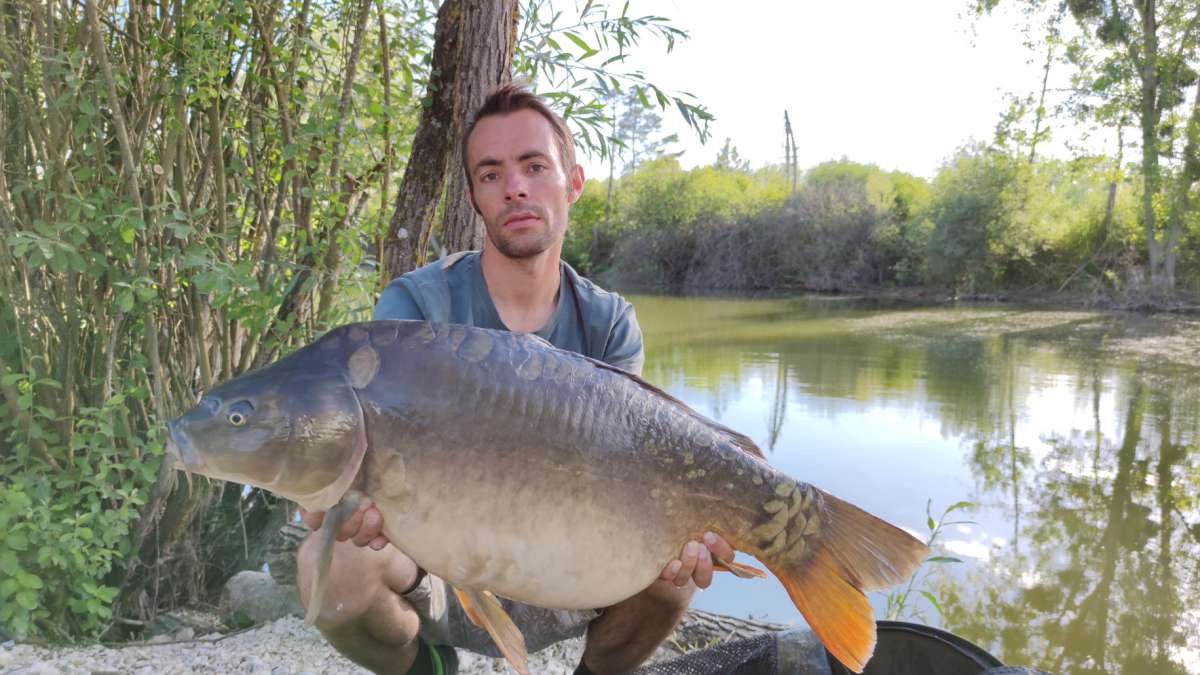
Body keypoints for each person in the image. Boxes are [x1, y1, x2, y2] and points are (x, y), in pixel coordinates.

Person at [296, 84, 734, 675]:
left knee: (674, 575)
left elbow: (639, 475)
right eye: (491, 174)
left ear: (572, 182)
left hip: (570, 573)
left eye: (534, 166)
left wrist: (688, 526)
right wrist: (343, 494)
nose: (516, 188)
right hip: (437, 568)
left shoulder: (608, 322)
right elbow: (363, 456)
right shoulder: (415, 306)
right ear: (476, 198)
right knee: (330, 569)